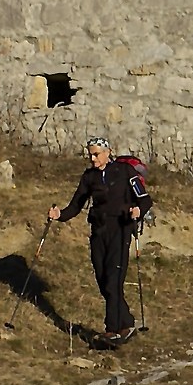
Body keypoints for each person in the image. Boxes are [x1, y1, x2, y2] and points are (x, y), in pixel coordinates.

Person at [49, 137, 149, 345]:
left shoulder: (124, 172)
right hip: (98, 232)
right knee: (104, 282)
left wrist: (138, 210)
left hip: (120, 230)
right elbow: (76, 205)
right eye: (90, 155)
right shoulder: (89, 177)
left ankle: (111, 330)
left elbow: (145, 199)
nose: (92, 159)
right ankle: (127, 323)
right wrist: (59, 215)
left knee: (113, 281)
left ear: (108, 152)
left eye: (96, 154)